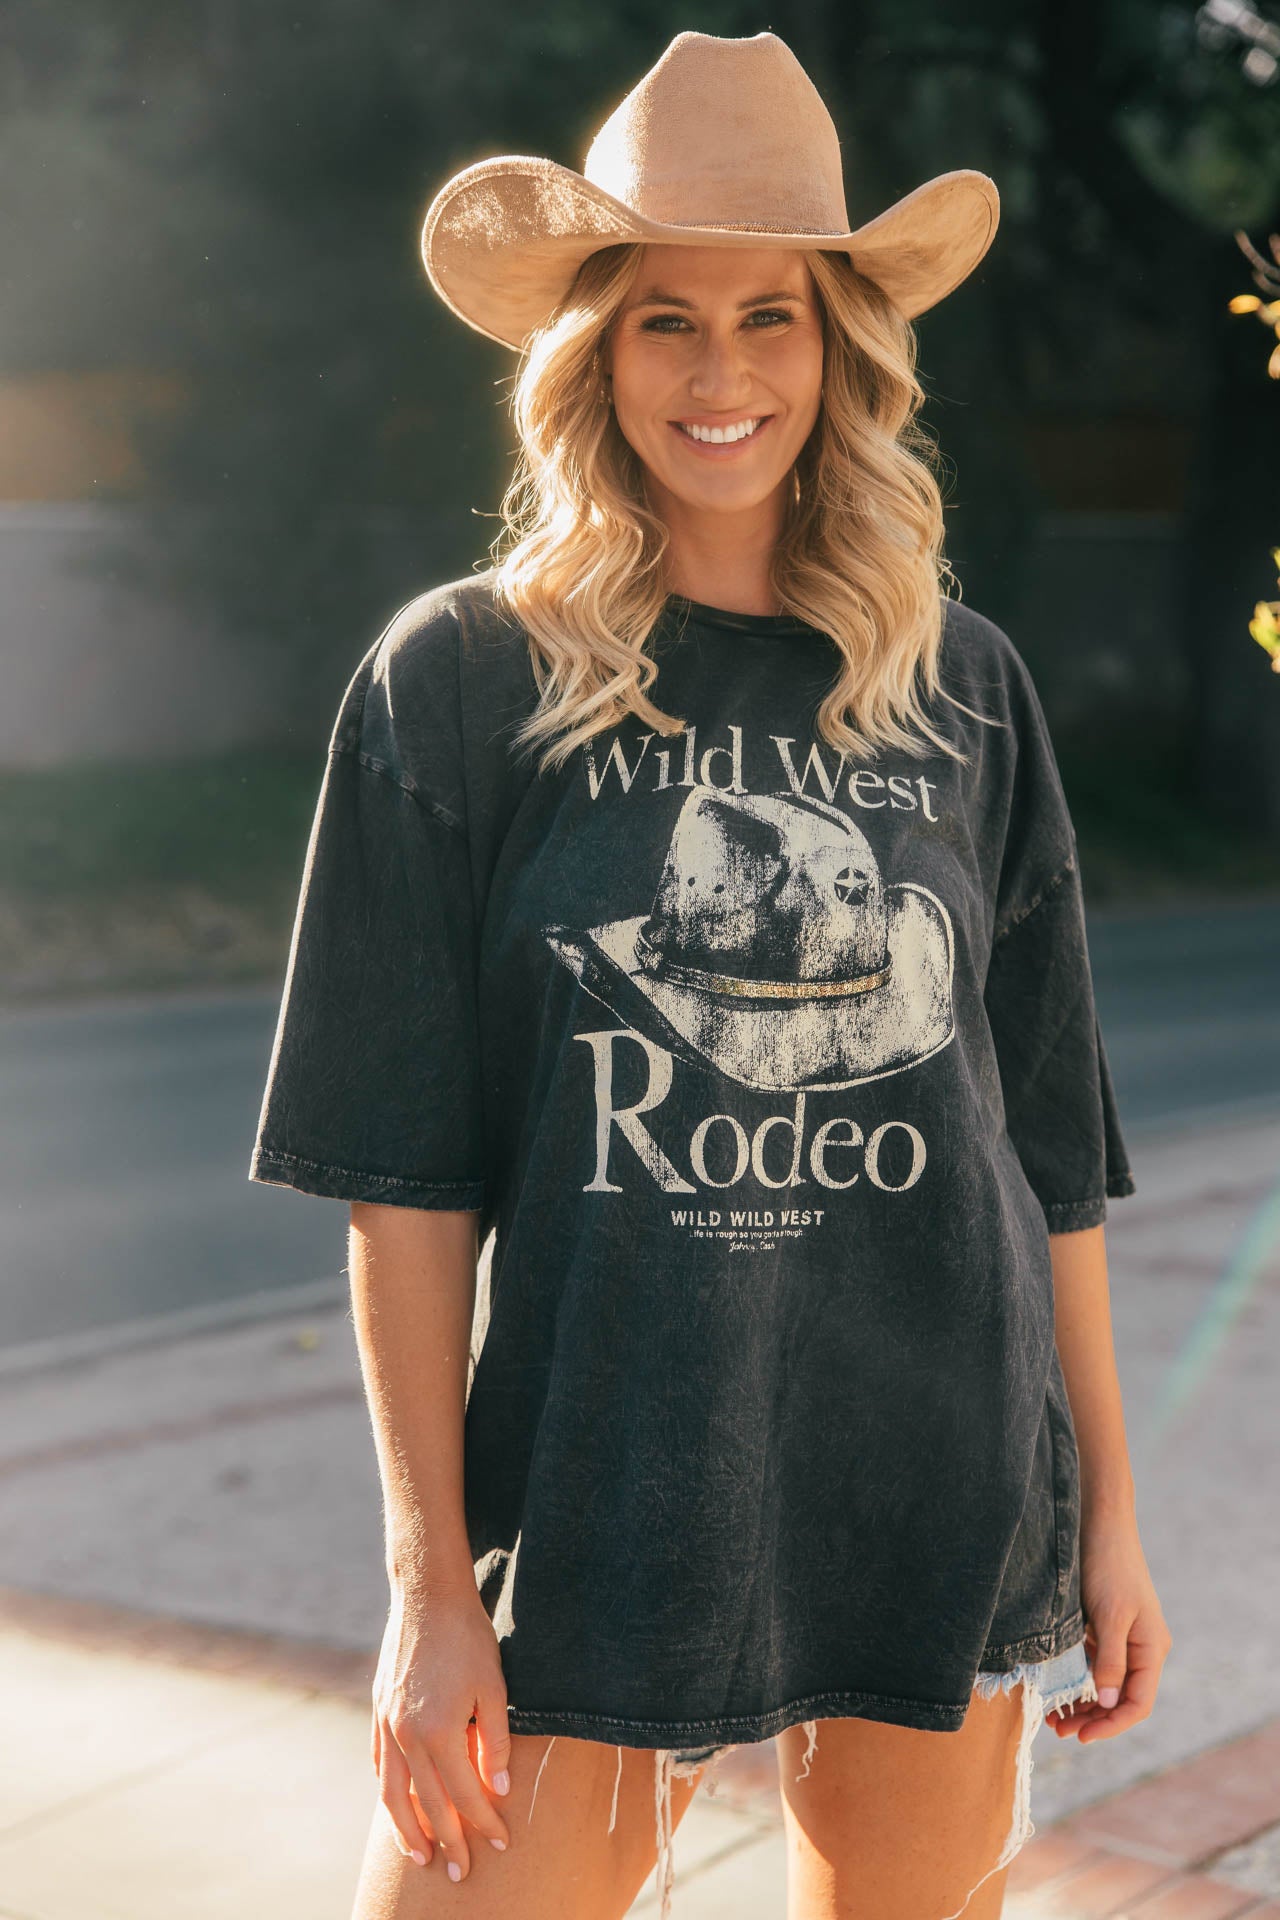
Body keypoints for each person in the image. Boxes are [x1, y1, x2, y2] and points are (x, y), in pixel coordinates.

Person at [248, 29, 1172, 1920]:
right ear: (594, 351)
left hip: (938, 1482)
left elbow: (1047, 1153)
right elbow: (401, 1181)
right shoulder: (462, 678)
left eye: (774, 316)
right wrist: (429, 1592)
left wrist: (1114, 1525)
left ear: (844, 351)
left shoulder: (962, 684)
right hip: (598, 1489)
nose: (723, 372)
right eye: (666, 319)